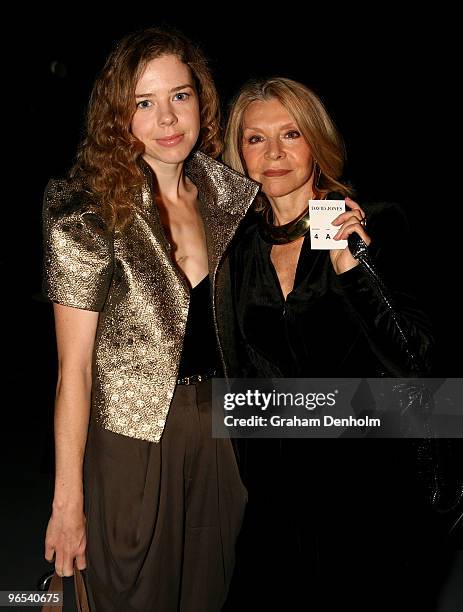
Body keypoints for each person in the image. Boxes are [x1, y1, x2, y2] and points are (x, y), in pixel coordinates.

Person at [42, 27, 259, 612]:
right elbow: (75, 373)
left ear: (201, 99)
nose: (168, 118)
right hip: (133, 439)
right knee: (132, 594)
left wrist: (338, 222)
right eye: (145, 103)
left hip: (223, 429)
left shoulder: (230, 196)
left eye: (180, 96)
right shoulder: (85, 210)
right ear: (120, 114)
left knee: (211, 590)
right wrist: (67, 503)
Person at [222, 78, 451, 611]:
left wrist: (356, 270)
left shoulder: (373, 223)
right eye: (256, 139)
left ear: (316, 144)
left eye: (291, 134)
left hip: (369, 492)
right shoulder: (237, 248)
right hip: (275, 493)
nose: (274, 153)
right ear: (241, 153)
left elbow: (416, 357)